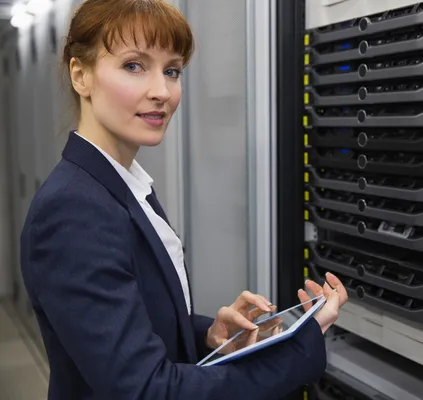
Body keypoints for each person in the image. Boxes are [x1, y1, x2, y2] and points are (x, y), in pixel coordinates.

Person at [19, 0, 348, 399]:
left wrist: (210, 335)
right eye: (134, 65)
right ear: (81, 75)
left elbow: (129, 329)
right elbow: (147, 390)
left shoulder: (123, 187)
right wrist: (295, 354)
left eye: (171, 70)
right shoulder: (73, 210)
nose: (162, 91)